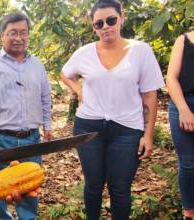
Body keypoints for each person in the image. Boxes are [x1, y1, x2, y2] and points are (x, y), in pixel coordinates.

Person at [60, 0, 165, 219]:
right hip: (88, 127)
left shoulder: (140, 51)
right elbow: (65, 73)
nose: (105, 26)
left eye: (111, 20)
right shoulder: (85, 52)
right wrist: (78, 89)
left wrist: (148, 135)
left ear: (121, 18)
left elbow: (149, 95)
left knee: (120, 188)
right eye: (99, 23)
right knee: (93, 185)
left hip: (127, 129)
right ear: (93, 27)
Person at [0, 11, 53, 220]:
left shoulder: (37, 65)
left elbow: (45, 97)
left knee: (30, 183)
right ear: (2, 36)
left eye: (23, 33)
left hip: (31, 138)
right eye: (12, 32)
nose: (18, 38)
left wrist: (48, 127)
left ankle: (27, 218)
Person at [166, 30, 194, 219]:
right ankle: (189, 212)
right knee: (189, 163)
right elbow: (171, 78)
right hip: (183, 103)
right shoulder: (183, 40)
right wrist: (184, 109)